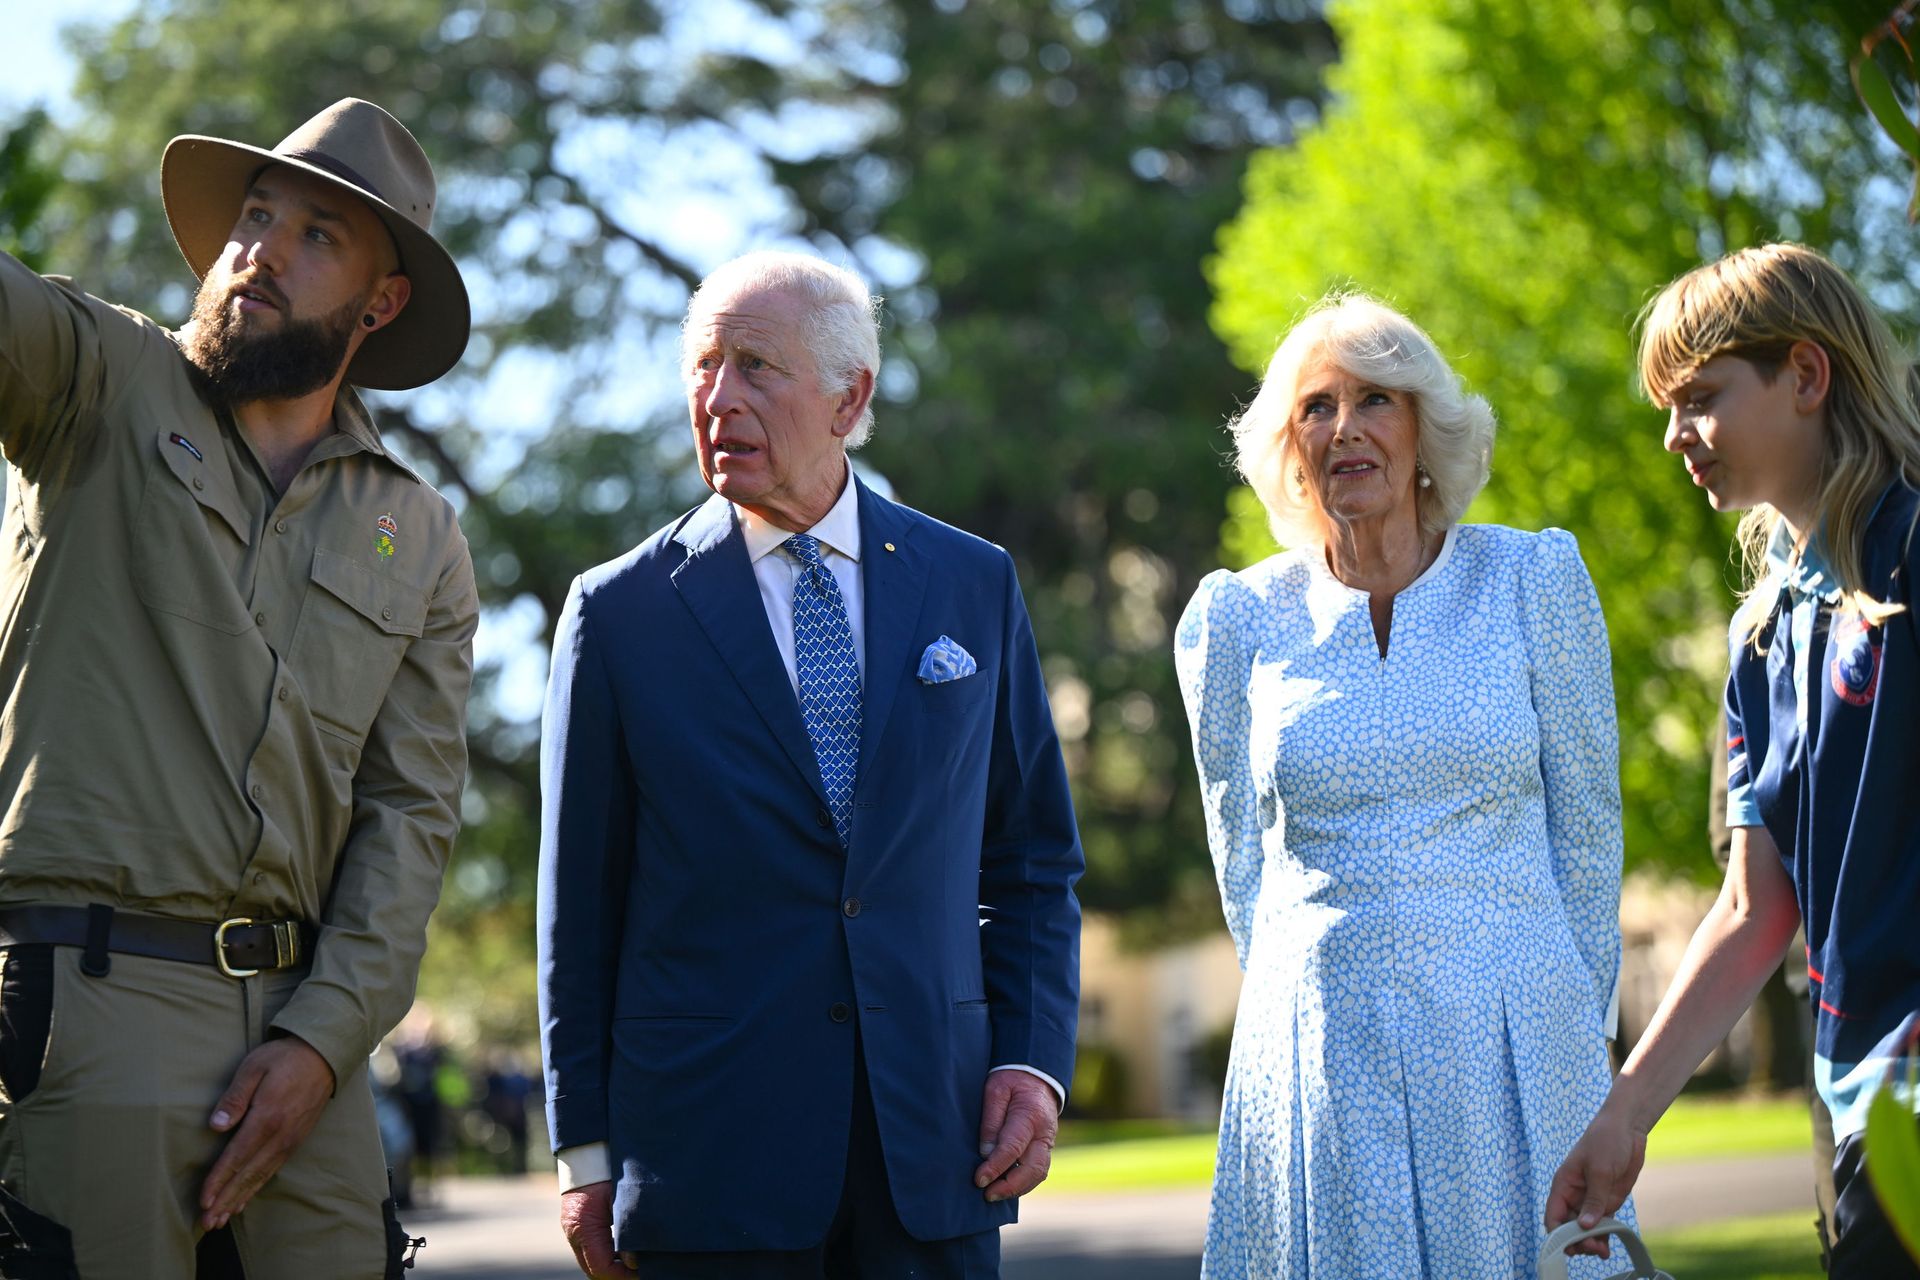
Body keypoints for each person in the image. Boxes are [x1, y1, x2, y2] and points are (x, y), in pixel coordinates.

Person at [0, 99, 477, 1279]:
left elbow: (408, 822)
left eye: (318, 234)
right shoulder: (99, 377)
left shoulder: (417, 533)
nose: (261, 246)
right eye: (255, 216)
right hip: (90, 1003)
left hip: (307, 1045)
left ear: (382, 300)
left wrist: (323, 1043)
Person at [537, 250, 1084, 1278]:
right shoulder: (617, 613)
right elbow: (579, 908)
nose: (717, 396)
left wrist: (1029, 1056)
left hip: (934, 1149)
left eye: (755, 366)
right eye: (702, 367)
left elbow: (1031, 860)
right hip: (709, 1163)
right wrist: (586, 1148)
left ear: (851, 397)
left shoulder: (972, 582)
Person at [1175, 293, 1629, 1277]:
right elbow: (1239, 851)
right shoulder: (1236, 618)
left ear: (1424, 426)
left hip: (1516, 1047)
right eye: (1317, 407)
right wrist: (1294, 1010)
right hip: (1319, 1050)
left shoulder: (1530, 579)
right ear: (1290, 447)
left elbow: (1589, 833)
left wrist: (1576, 1041)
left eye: (1375, 398)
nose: (1345, 428)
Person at [1547, 242, 1920, 1278]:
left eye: (1701, 398)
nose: (1675, 436)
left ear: (1806, 375)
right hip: (1850, 1113)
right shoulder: (1761, 636)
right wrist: (1626, 1114)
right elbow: (1758, 909)